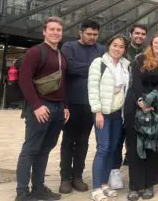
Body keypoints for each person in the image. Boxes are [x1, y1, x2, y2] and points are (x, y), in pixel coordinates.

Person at [15, 17, 70, 201]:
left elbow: (63, 84)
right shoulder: (35, 52)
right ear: (44, 32)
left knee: (45, 149)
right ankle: (22, 192)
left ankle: (38, 188)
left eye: (59, 30)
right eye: (52, 29)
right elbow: (24, 80)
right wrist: (37, 106)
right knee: (30, 149)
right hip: (40, 108)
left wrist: (65, 106)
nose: (55, 33)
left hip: (57, 108)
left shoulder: (61, 55)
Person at [59, 20, 105, 194]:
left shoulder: (101, 50)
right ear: (81, 33)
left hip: (91, 104)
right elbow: (68, 67)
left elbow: (104, 70)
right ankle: (65, 177)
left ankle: (77, 176)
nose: (92, 37)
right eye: (89, 34)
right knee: (68, 140)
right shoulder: (68, 47)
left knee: (84, 141)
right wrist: (93, 68)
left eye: (95, 34)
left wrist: (81, 68)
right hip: (71, 103)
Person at [125, 34, 158, 200]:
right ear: (151, 44)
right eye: (156, 42)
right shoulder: (140, 59)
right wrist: (140, 101)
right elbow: (136, 81)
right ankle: (134, 185)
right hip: (136, 105)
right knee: (135, 145)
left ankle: (149, 184)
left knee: (153, 145)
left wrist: (151, 98)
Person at [87, 35, 130, 201]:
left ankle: (105, 183)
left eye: (121, 46)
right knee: (103, 148)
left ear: (124, 50)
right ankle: (96, 187)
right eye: (114, 45)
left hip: (118, 113)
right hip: (103, 112)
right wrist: (97, 111)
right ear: (109, 46)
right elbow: (93, 89)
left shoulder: (126, 65)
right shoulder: (99, 63)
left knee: (113, 149)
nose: (117, 48)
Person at [110, 24, 148, 189]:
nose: (139, 36)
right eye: (137, 33)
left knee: (137, 139)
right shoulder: (123, 51)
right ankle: (114, 172)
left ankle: (139, 175)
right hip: (120, 101)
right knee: (117, 140)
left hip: (138, 101)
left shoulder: (147, 53)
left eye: (143, 34)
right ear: (131, 34)